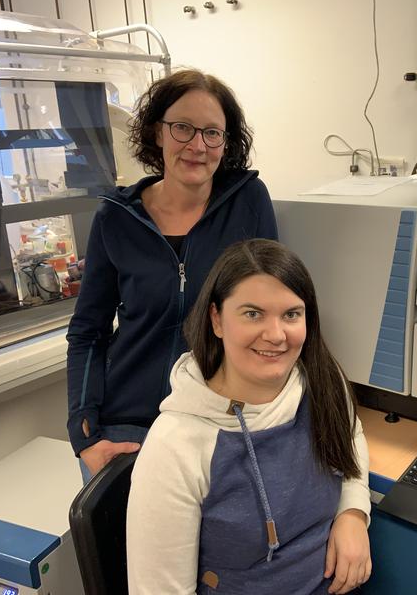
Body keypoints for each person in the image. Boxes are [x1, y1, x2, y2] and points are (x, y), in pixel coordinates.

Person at [126, 239, 372, 594]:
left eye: (291, 314)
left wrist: (352, 512)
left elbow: (350, 436)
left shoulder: (319, 378)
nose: (275, 335)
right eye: (253, 314)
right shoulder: (176, 445)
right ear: (217, 319)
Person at [66, 69, 277, 481]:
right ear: (157, 133)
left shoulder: (249, 202)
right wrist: (85, 434)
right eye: (183, 128)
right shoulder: (117, 216)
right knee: (121, 546)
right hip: (128, 429)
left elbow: (268, 311)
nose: (198, 145)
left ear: (226, 143)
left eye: (212, 133)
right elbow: (88, 331)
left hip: (217, 420)